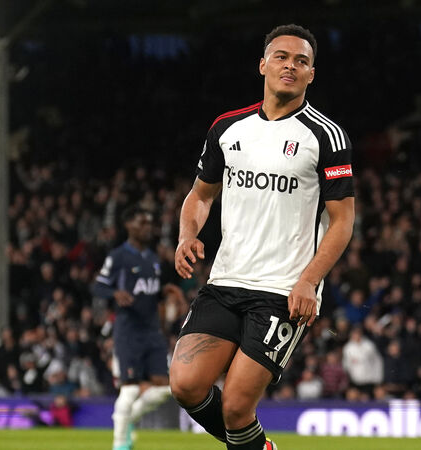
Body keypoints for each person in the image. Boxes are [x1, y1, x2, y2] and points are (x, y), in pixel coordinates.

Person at [169, 24, 355, 450]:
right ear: (263, 65)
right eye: (281, 57)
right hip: (226, 281)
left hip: (283, 290)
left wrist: (309, 281)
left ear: (311, 74)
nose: (290, 66)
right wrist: (186, 235)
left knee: (236, 407)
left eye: (301, 61)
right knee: (185, 384)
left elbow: (343, 221)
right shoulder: (228, 127)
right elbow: (200, 195)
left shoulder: (326, 136)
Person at [92, 207, 175, 450]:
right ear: (129, 225)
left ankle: (127, 420)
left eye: (149, 223)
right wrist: (114, 293)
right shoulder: (118, 256)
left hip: (152, 331)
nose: (147, 228)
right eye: (142, 223)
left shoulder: (153, 259)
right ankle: (119, 444)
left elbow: (149, 293)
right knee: (129, 390)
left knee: (166, 388)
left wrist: (166, 292)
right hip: (128, 331)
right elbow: (98, 286)